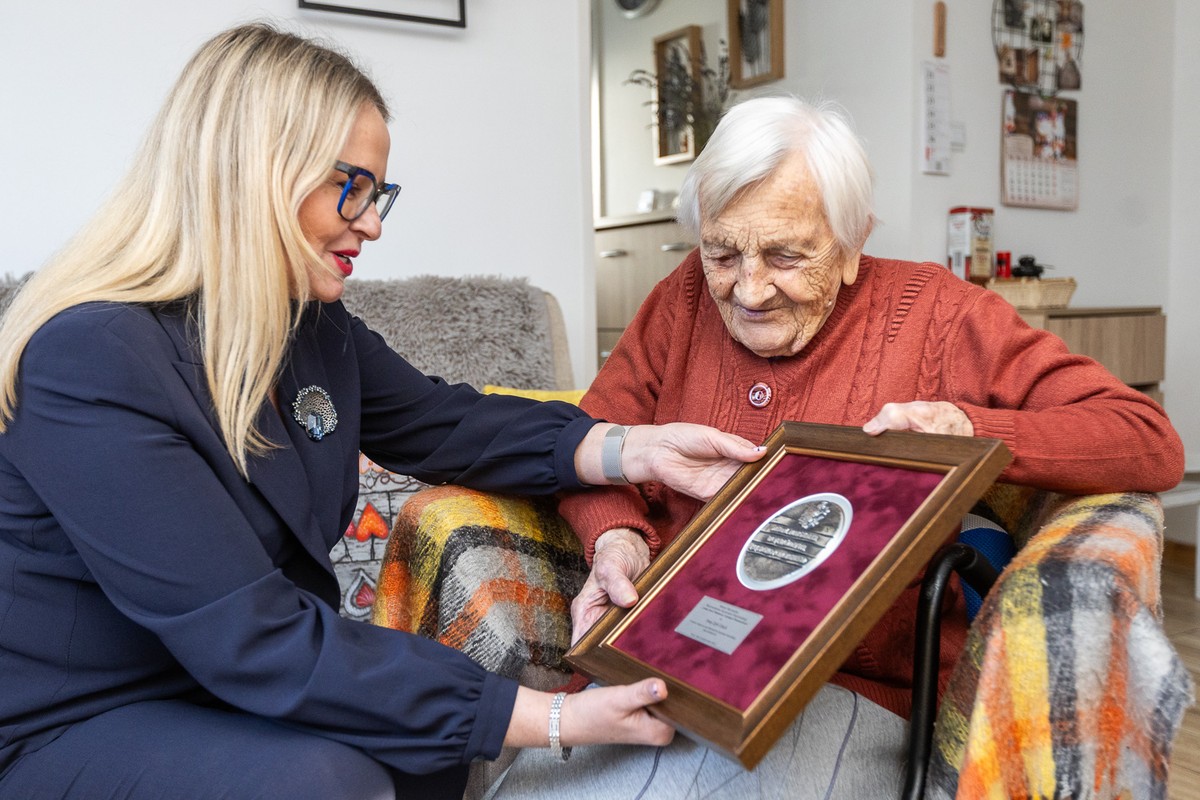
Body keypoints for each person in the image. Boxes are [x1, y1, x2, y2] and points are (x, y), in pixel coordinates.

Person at [0, 23, 770, 799]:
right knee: (330, 782)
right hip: (78, 716)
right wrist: (554, 718)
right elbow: (252, 637)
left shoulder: (309, 327)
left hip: (227, 686)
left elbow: (448, 422)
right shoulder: (89, 358)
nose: (371, 223)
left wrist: (637, 448)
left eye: (378, 194)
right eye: (354, 188)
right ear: (256, 174)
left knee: (426, 748)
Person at [490, 96, 1184, 798]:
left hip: (846, 686)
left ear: (853, 245)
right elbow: (595, 436)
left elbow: (1145, 438)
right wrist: (617, 537)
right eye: (722, 252)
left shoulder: (939, 314)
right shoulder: (683, 301)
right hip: (663, 659)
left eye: (786, 256)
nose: (749, 289)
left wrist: (970, 430)